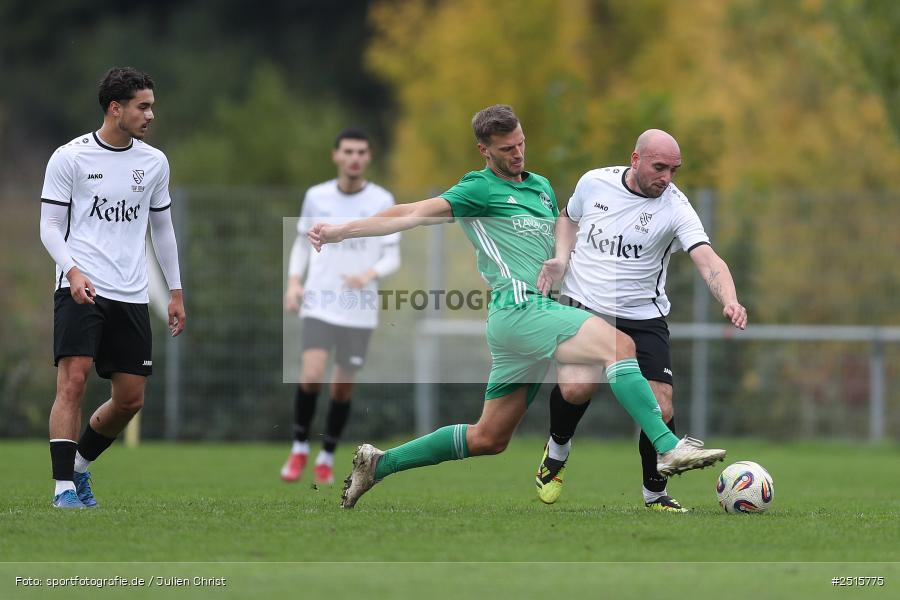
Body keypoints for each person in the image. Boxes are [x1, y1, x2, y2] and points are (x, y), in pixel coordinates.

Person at [306, 105, 726, 509]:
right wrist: (343, 231)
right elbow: (413, 212)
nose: (517, 153)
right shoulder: (479, 188)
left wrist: (563, 258)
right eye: (507, 149)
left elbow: (567, 229)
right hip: (518, 310)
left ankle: (380, 464)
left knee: (489, 438)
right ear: (484, 150)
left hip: (535, 315)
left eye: (521, 143)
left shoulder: (541, 187)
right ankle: (667, 448)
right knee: (618, 346)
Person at [533, 129, 747, 511]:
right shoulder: (594, 182)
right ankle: (557, 450)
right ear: (635, 159)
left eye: (674, 170)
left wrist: (729, 299)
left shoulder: (676, 207)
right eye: (659, 167)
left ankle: (655, 494)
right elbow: (568, 217)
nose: (666, 177)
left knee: (661, 407)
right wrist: (562, 258)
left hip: (643, 315)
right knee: (577, 389)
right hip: (584, 304)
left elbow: (708, 260)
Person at [39, 67, 185, 509]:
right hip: (80, 286)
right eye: (143, 106)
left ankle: (79, 468)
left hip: (132, 293)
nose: (150, 115)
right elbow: (48, 227)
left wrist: (176, 292)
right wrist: (72, 270)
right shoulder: (70, 157)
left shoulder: (154, 162)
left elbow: (162, 230)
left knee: (130, 399)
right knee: (74, 380)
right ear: (115, 108)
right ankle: (63, 488)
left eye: (152, 106)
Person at [280, 128, 401, 485]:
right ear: (336, 155)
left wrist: (369, 273)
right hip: (320, 300)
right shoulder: (316, 196)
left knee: (342, 387)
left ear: (369, 157)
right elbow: (302, 243)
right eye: (348, 151)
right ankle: (300, 446)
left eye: (361, 152)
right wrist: (293, 282)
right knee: (312, 374)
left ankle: (327, 455)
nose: (354, 158)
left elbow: (392, 253)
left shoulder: (382, 198)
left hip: (359, 308)